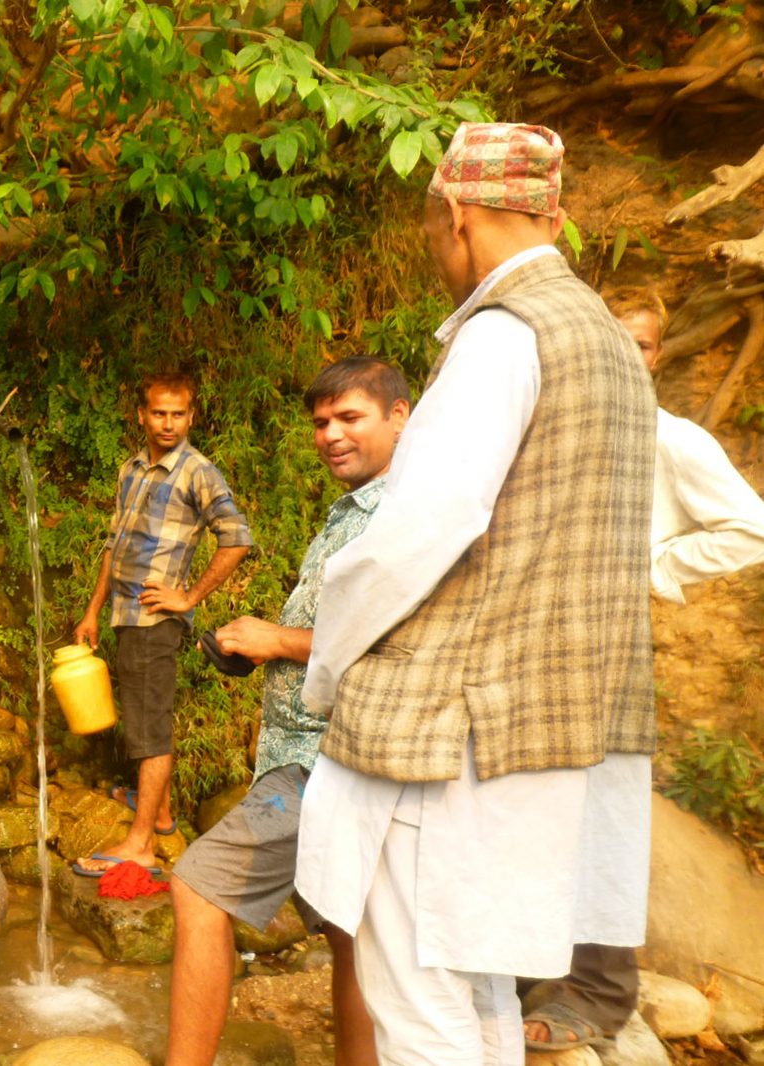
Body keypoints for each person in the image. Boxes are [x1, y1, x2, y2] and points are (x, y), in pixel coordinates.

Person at [293, 122, 656, 1066]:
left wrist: (326, 664)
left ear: (453, 212)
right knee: (473, 980)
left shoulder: (504, 336)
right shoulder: (609, 343)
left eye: (429, 228)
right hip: (556, 724)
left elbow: (418, 530)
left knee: (415, 999)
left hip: (453, 731)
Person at [521, 294, 764, 1051]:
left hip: (608, 650)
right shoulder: (559, 430)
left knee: (604, 808)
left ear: (658, 355)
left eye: (646, 345)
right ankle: (534, 970)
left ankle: (601, 989)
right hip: (534, 644)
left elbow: (748, 527)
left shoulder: (670, 439)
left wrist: (653, 566)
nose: (631, 356)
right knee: (534, 806)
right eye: (616, 341)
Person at [166, 356, 409, 1066]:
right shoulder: (357, 509)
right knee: (347, 932)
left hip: (322, 763)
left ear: (399, 415)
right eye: (320, 422)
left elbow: (398, 638)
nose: (330, 434)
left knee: (196, 890)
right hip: (333, 761)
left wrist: (276, 639)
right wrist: (268, 651)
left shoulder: (397, 516)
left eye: (349, 418)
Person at [72, 372, 251, 876]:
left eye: (178, 414)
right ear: (142, 415)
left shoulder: (198, 472)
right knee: (144, 717)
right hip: (124, 615)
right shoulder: (132, 470)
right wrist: (92, 610)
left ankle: (141, 844)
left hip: (156, 621)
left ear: (191, 417)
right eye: (158, 413)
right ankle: (163, 813)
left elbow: (236, 537)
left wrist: (189, 596)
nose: (168, 423)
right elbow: (115, 544)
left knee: (150, 731)